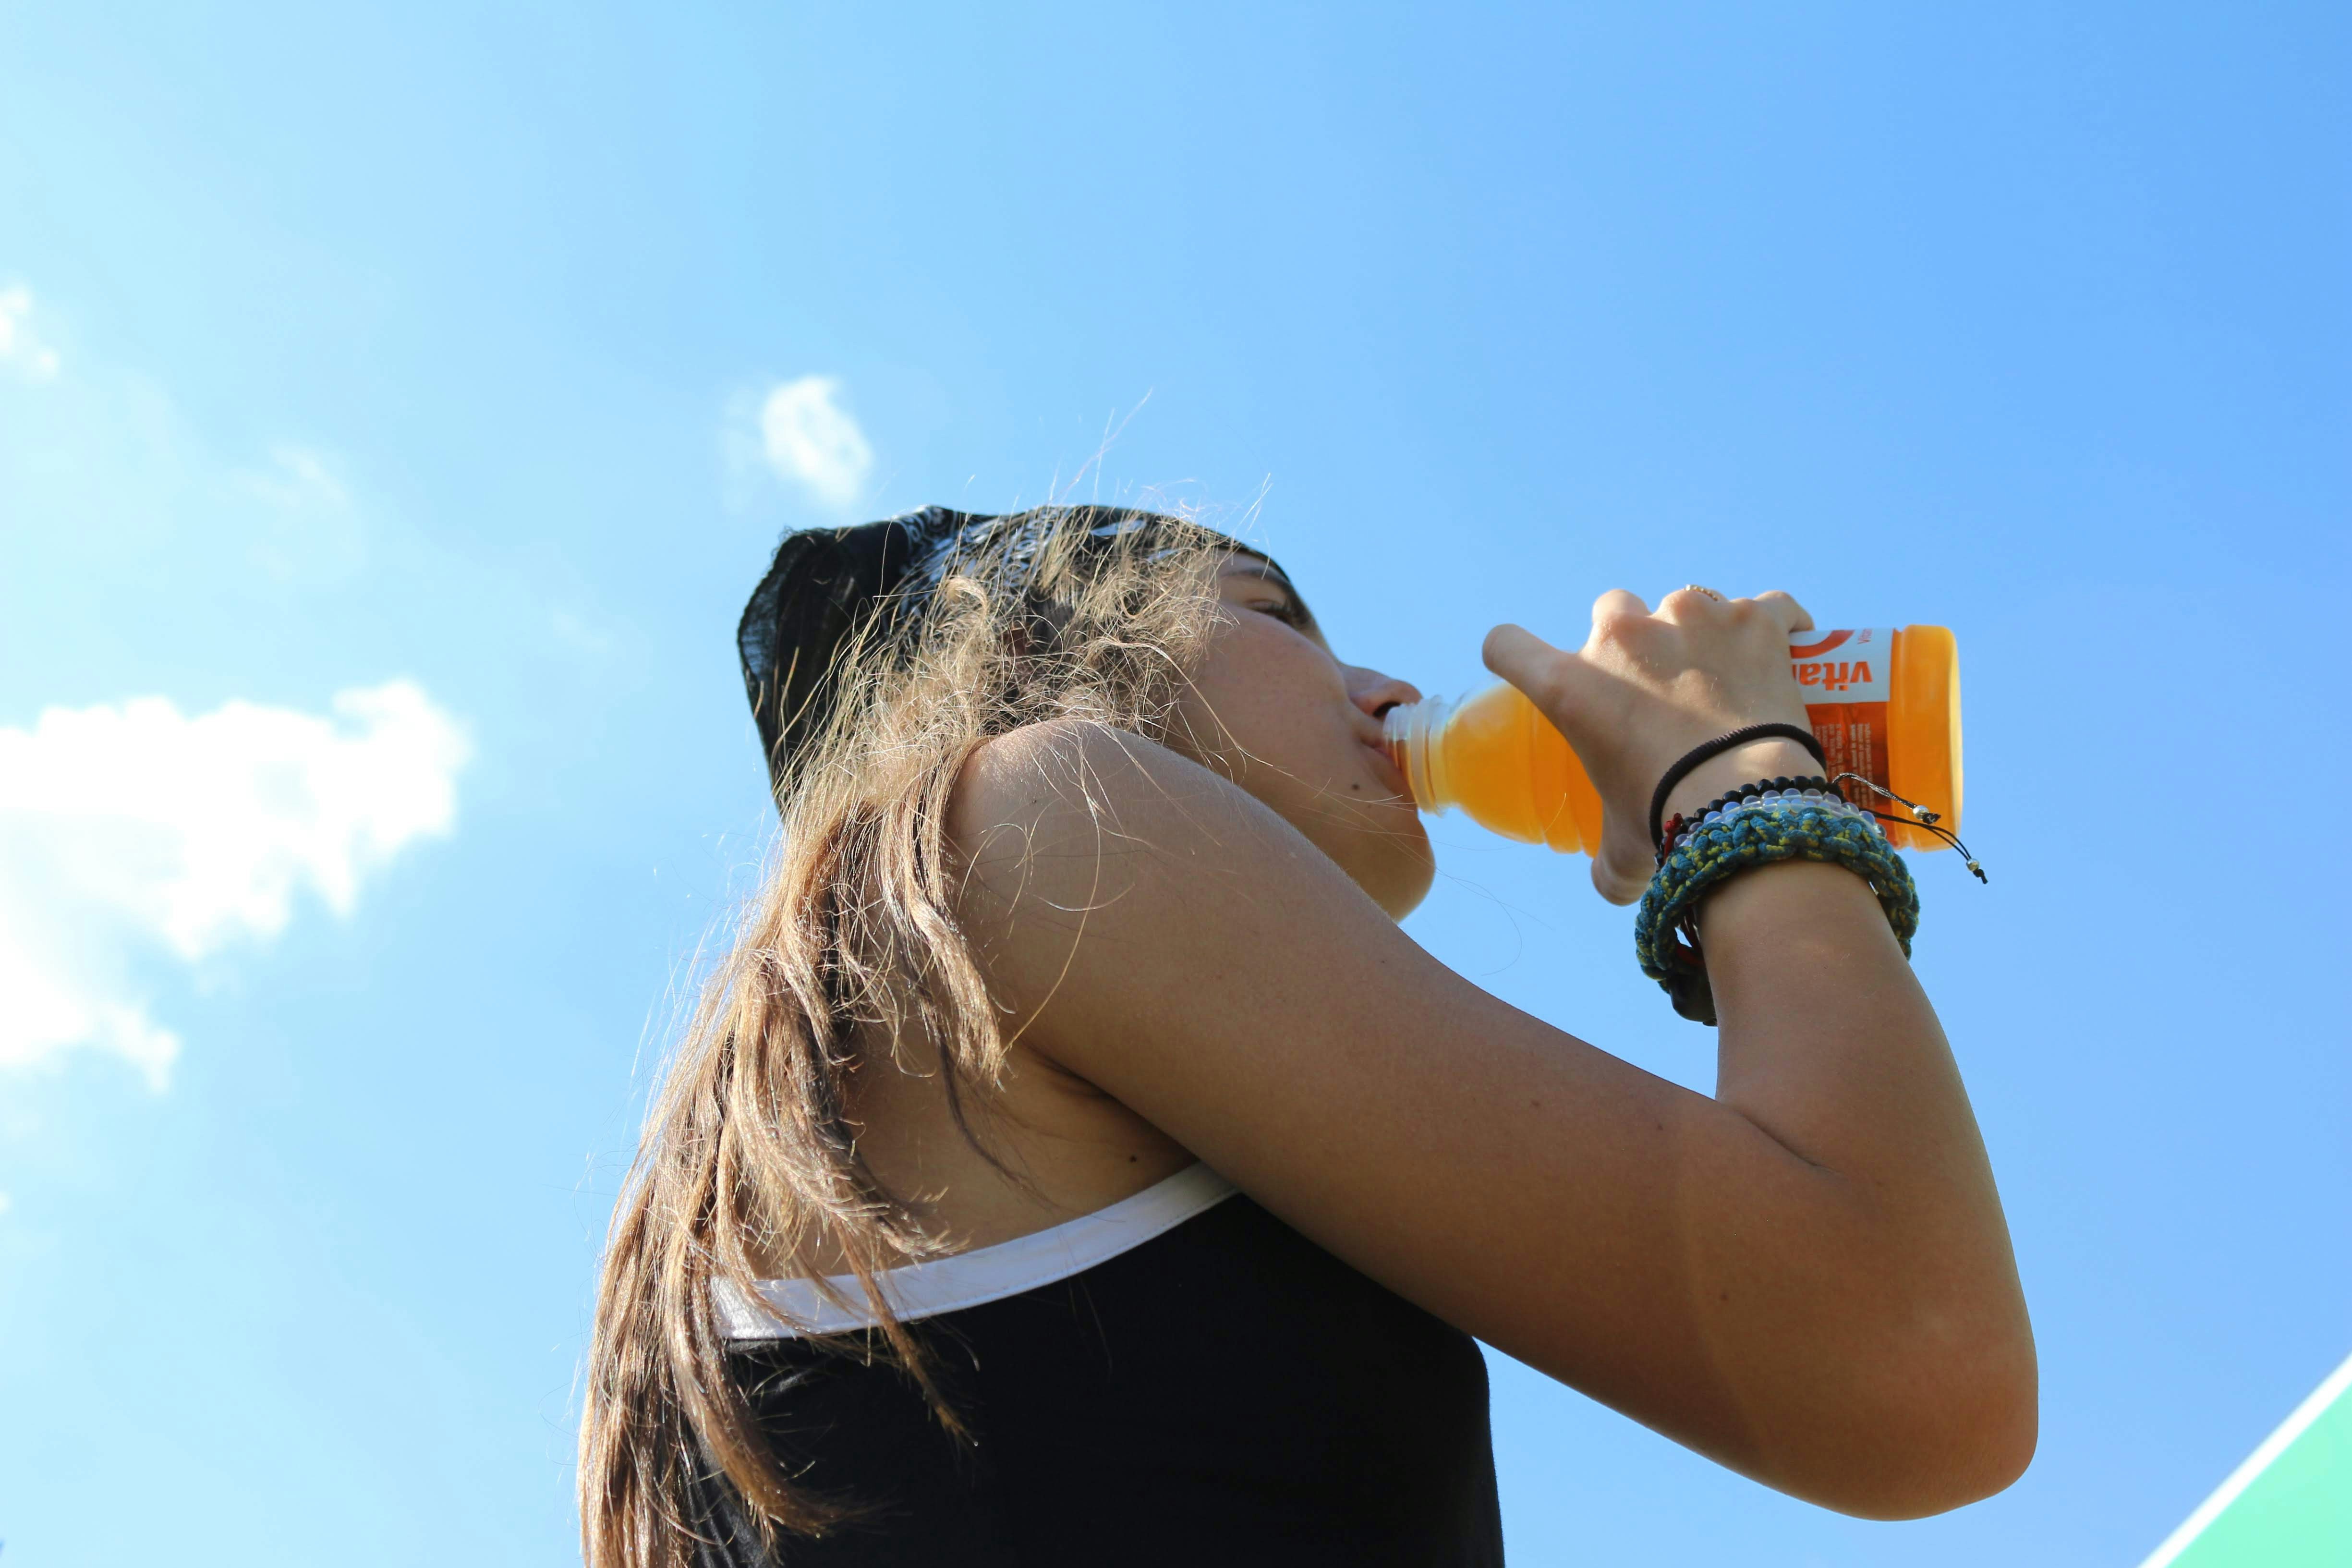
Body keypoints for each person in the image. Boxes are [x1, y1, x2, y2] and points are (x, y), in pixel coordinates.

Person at [579, 504, 2036, 1568]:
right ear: (1039, 648)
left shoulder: (824, 1067)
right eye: (1275, 611)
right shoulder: (1038, 819)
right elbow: (1910, 1353)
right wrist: (1735, 782)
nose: (1388, 689)